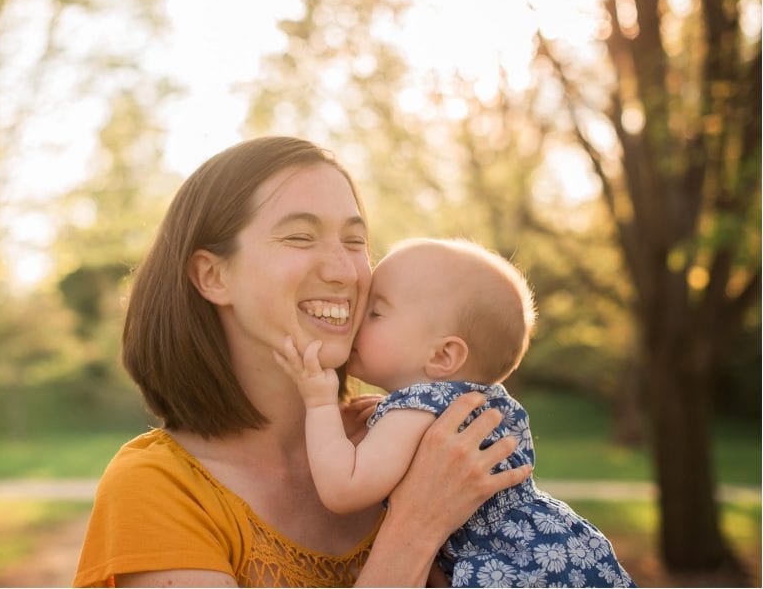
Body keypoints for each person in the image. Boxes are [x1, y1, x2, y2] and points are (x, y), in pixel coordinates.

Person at [73, 137, 533, 587]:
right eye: (300, 237)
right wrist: (416, 525)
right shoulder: (157, 488)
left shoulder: (418, 441)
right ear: (213, 276)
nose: (344, 270)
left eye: (355, 241)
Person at [272, 237, 635, 588]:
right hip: (560, 549)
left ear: (442, 356)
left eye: (376, 312)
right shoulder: (472, 401)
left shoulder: (415, 410)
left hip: (506, 571)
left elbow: (343, 488)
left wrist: (319, 401)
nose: (355, 318)